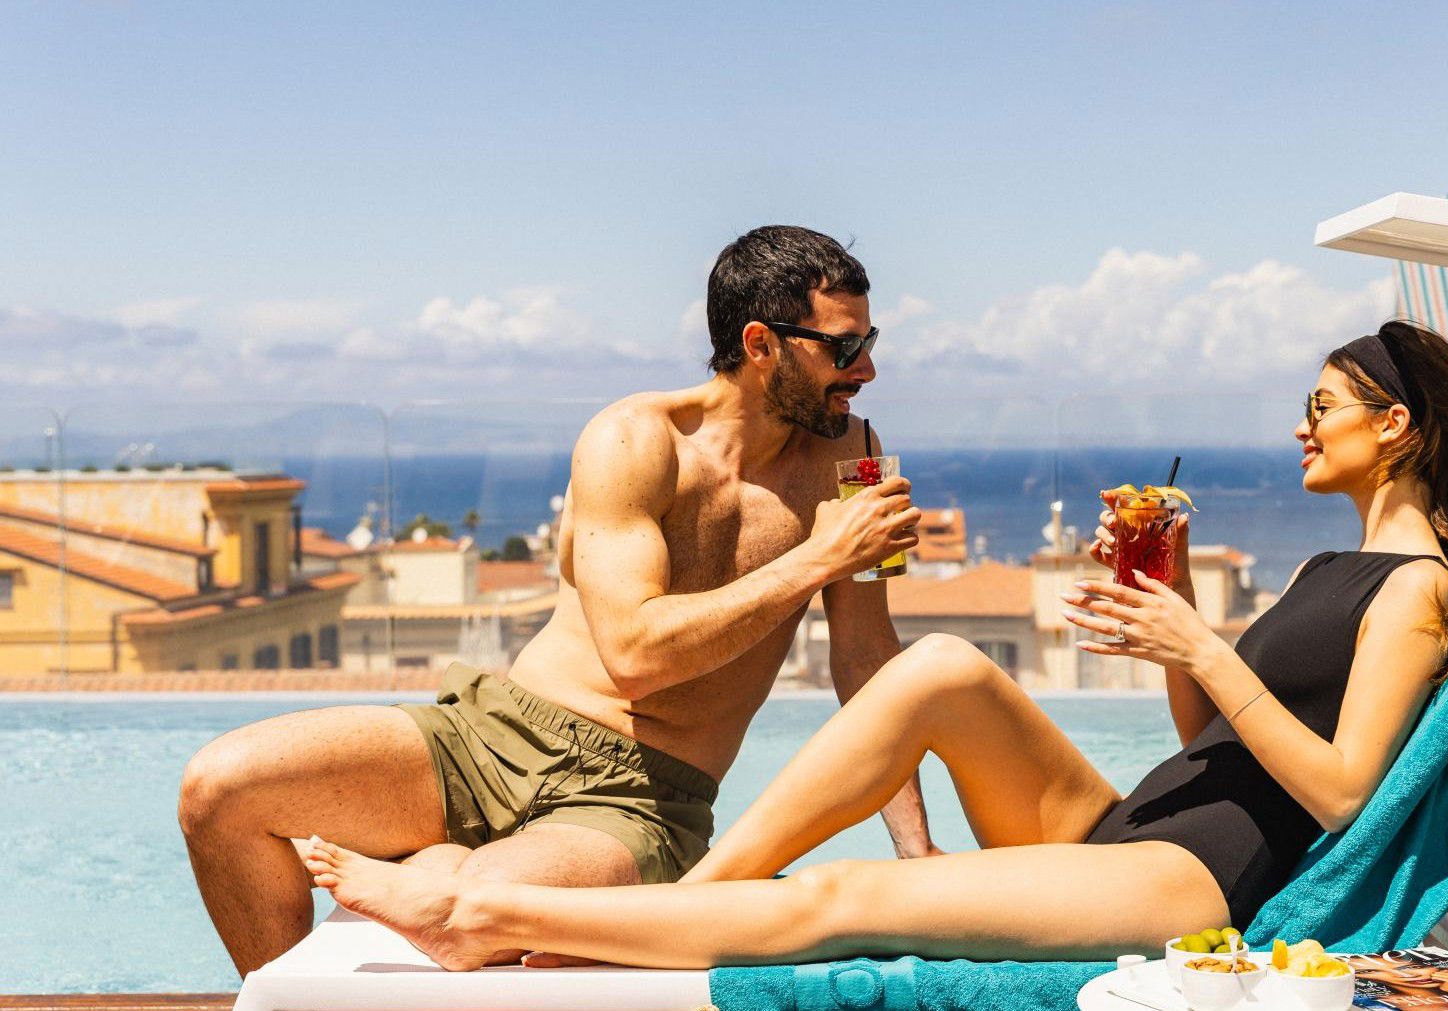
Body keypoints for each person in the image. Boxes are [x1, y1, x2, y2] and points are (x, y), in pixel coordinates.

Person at [300, 319, 1448, 971]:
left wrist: (1207, 645)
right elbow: (1215, 741)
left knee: (849, 900)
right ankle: (686, 906)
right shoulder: (1326, 570)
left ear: (1395, 428)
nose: (1301, 428)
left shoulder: (1412, 593)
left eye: (1322, 409)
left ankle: (482, 918)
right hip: (1133, 820)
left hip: (1197, 879)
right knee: (939, 668)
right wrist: (1180, 614)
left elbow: (1344, 796)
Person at [178, 225, 938, 976]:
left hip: (642, 793)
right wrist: (816, 559)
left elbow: (868, 660)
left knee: (478, 905)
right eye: (844, 347)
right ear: (761, 343)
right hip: (491, 732)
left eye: (869, 341)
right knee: (220, 789)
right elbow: (634, 654)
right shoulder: (631, 439)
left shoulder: (859, 461)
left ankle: (442, 862)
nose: (867, 369)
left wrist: (917, 854)